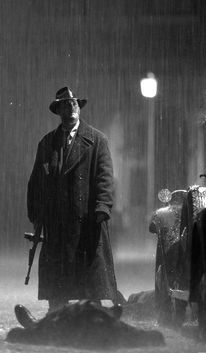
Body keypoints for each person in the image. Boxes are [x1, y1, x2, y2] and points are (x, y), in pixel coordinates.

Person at [27, 87, 118, 312]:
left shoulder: (97, 140)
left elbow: (104, 178)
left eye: (73, 104)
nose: (70, 108)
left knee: (89, 282)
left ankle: (94, 320)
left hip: (87, 222)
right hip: (57, 224)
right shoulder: (47, 143)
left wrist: (102, 207)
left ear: (79, 107)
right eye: (65, 105)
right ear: (58, 110)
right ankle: (56, 318)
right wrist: (37, 215)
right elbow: (36, 183)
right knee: (58, 286)